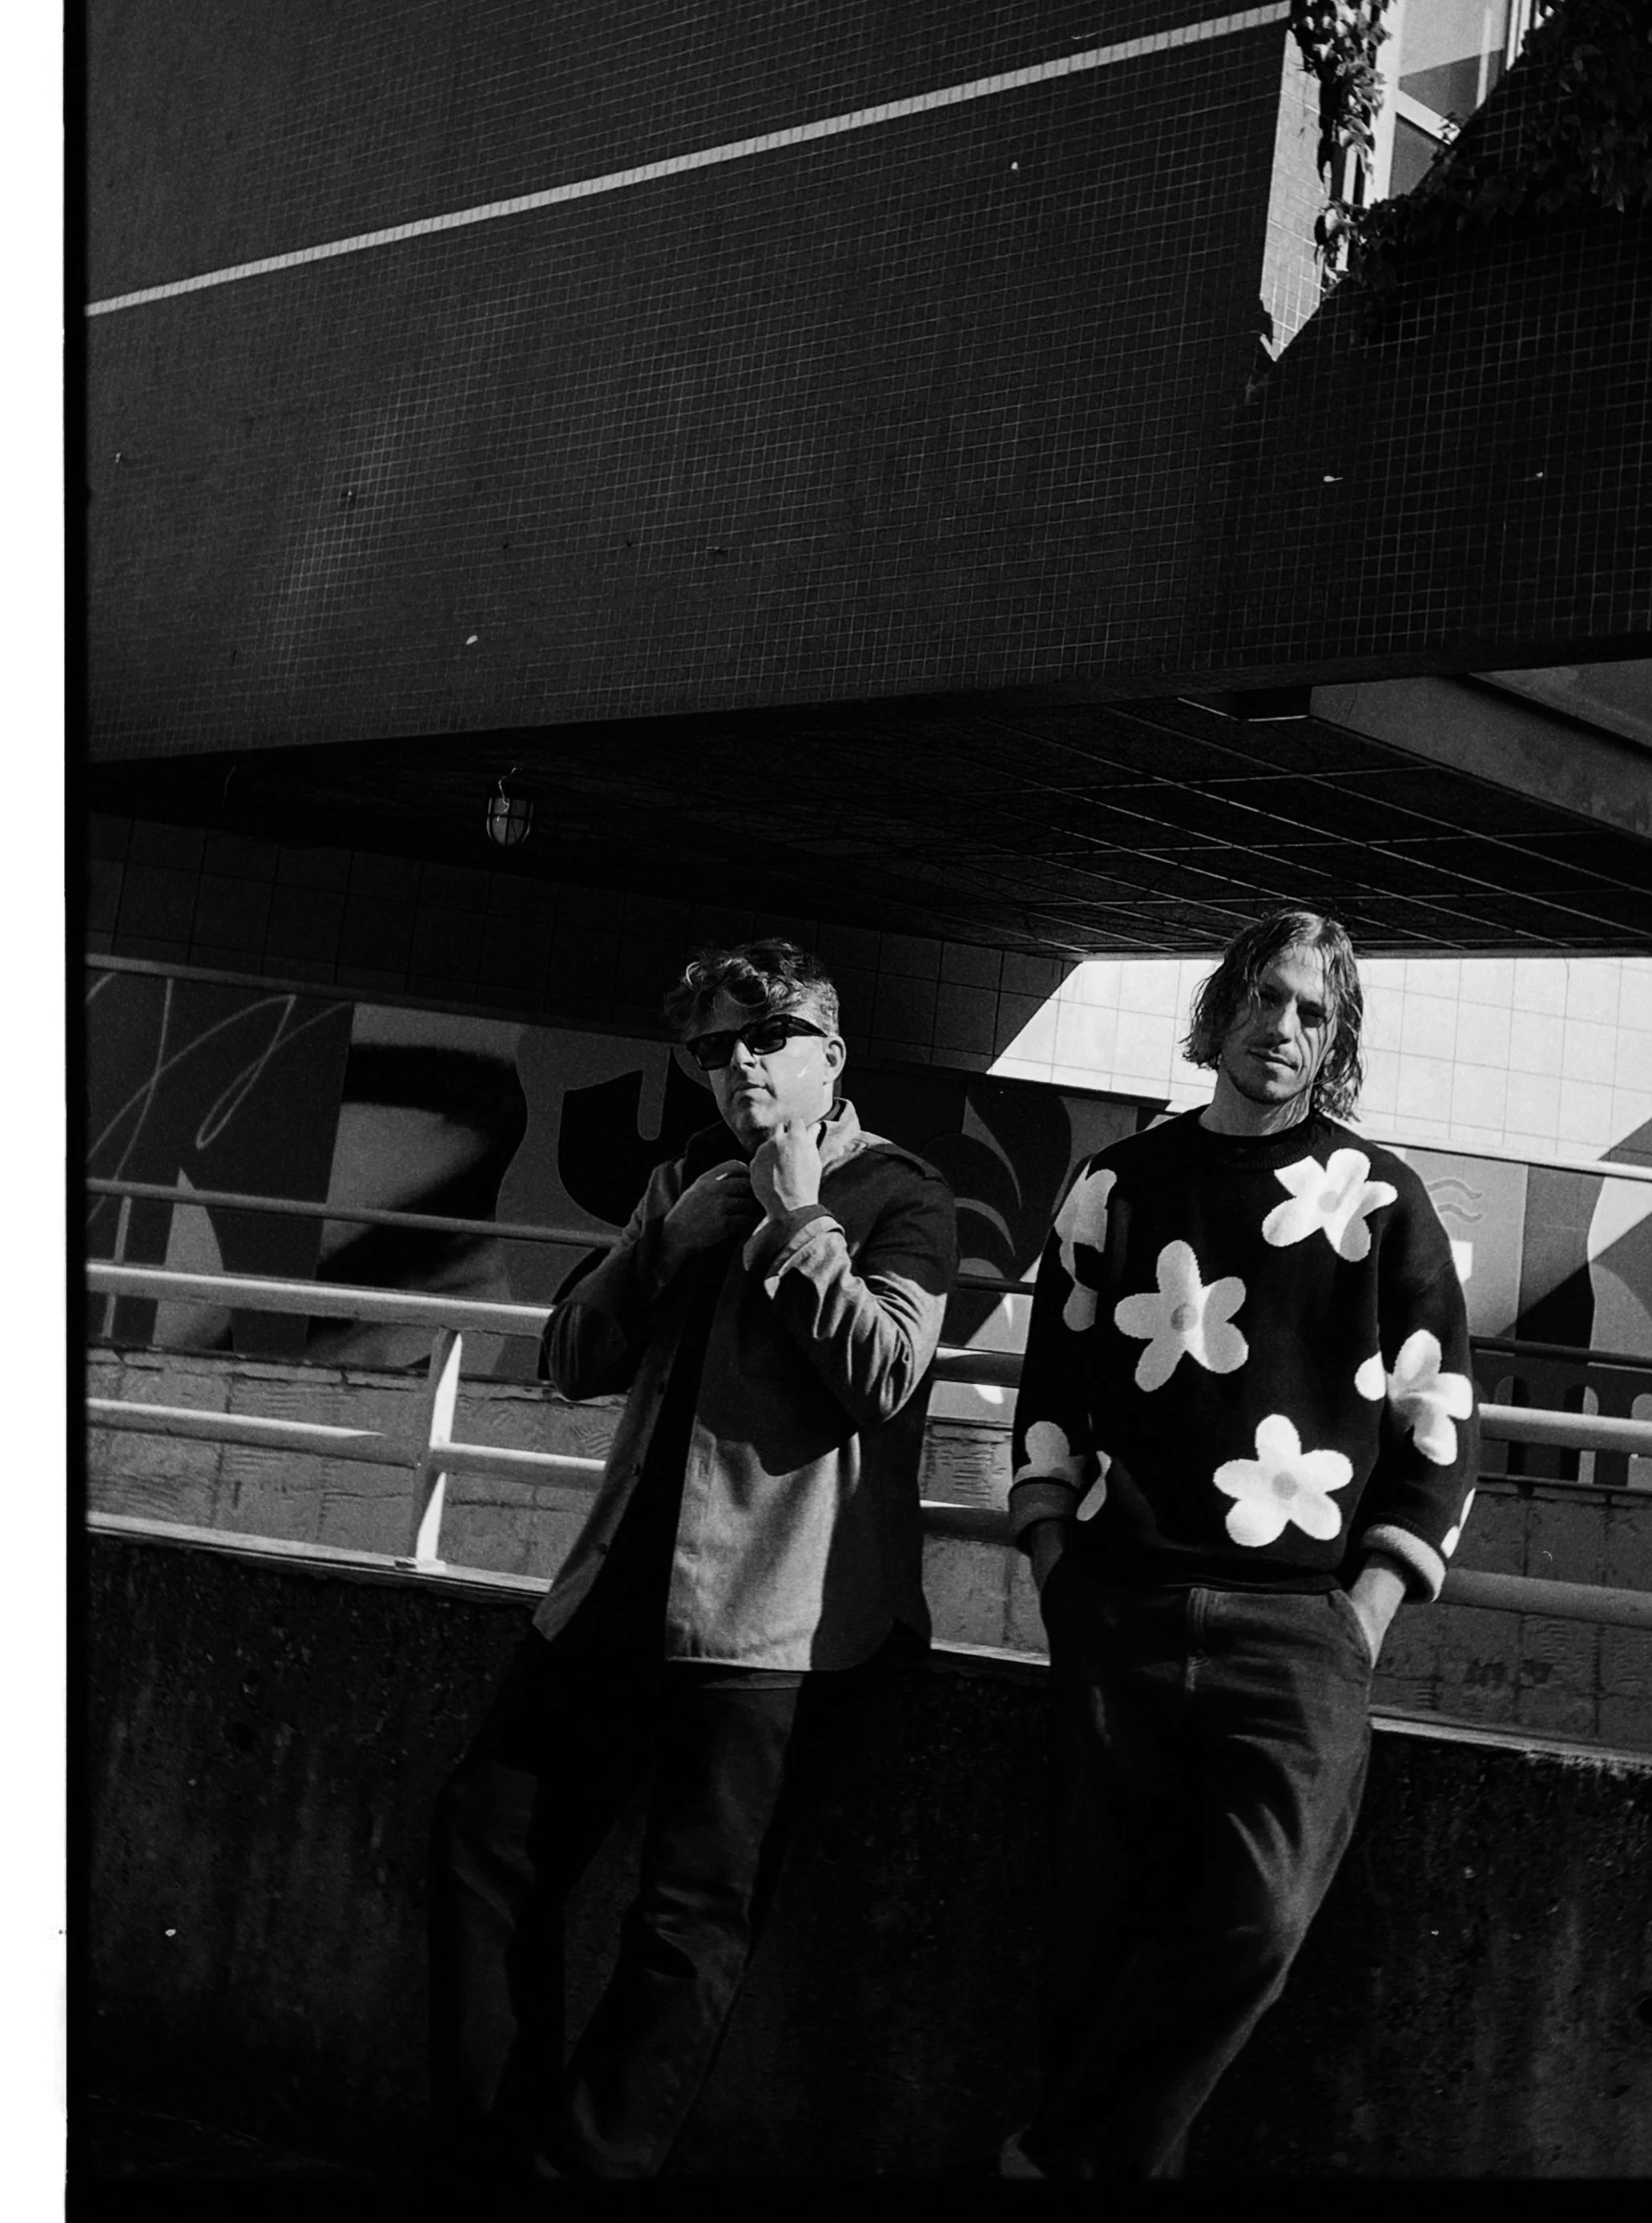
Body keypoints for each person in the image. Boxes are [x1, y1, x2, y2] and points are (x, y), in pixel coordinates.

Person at [428, 935, 958, 2181]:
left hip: (773, 1623)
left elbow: (885, 1375)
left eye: (767, 1037)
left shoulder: (903, 1194)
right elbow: (570, 1356)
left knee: (688, 1925)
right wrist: (660, 1244)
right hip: (618, 1595)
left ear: (832, 1056)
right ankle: (492, 2163)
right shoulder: (683, 1179)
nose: (739, 1066)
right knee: (481, 1843)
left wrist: (798, 1218)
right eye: (714, 1048)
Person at [1001, 906, 1477, 2180]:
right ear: (1220, 1013)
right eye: (1265, 997)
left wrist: (1363, 1614)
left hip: (1298, 1629)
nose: (1283, 1026)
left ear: (1336, 1043)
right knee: (1094, 1938)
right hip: (1120, 1603)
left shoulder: (1381, 1200)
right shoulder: (1118, 1185)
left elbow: (1438, 1417)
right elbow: (1053, 1388)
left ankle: (1054, 2164)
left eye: (1314, 1012)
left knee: (1256, 1924)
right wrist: (1058, 1568)